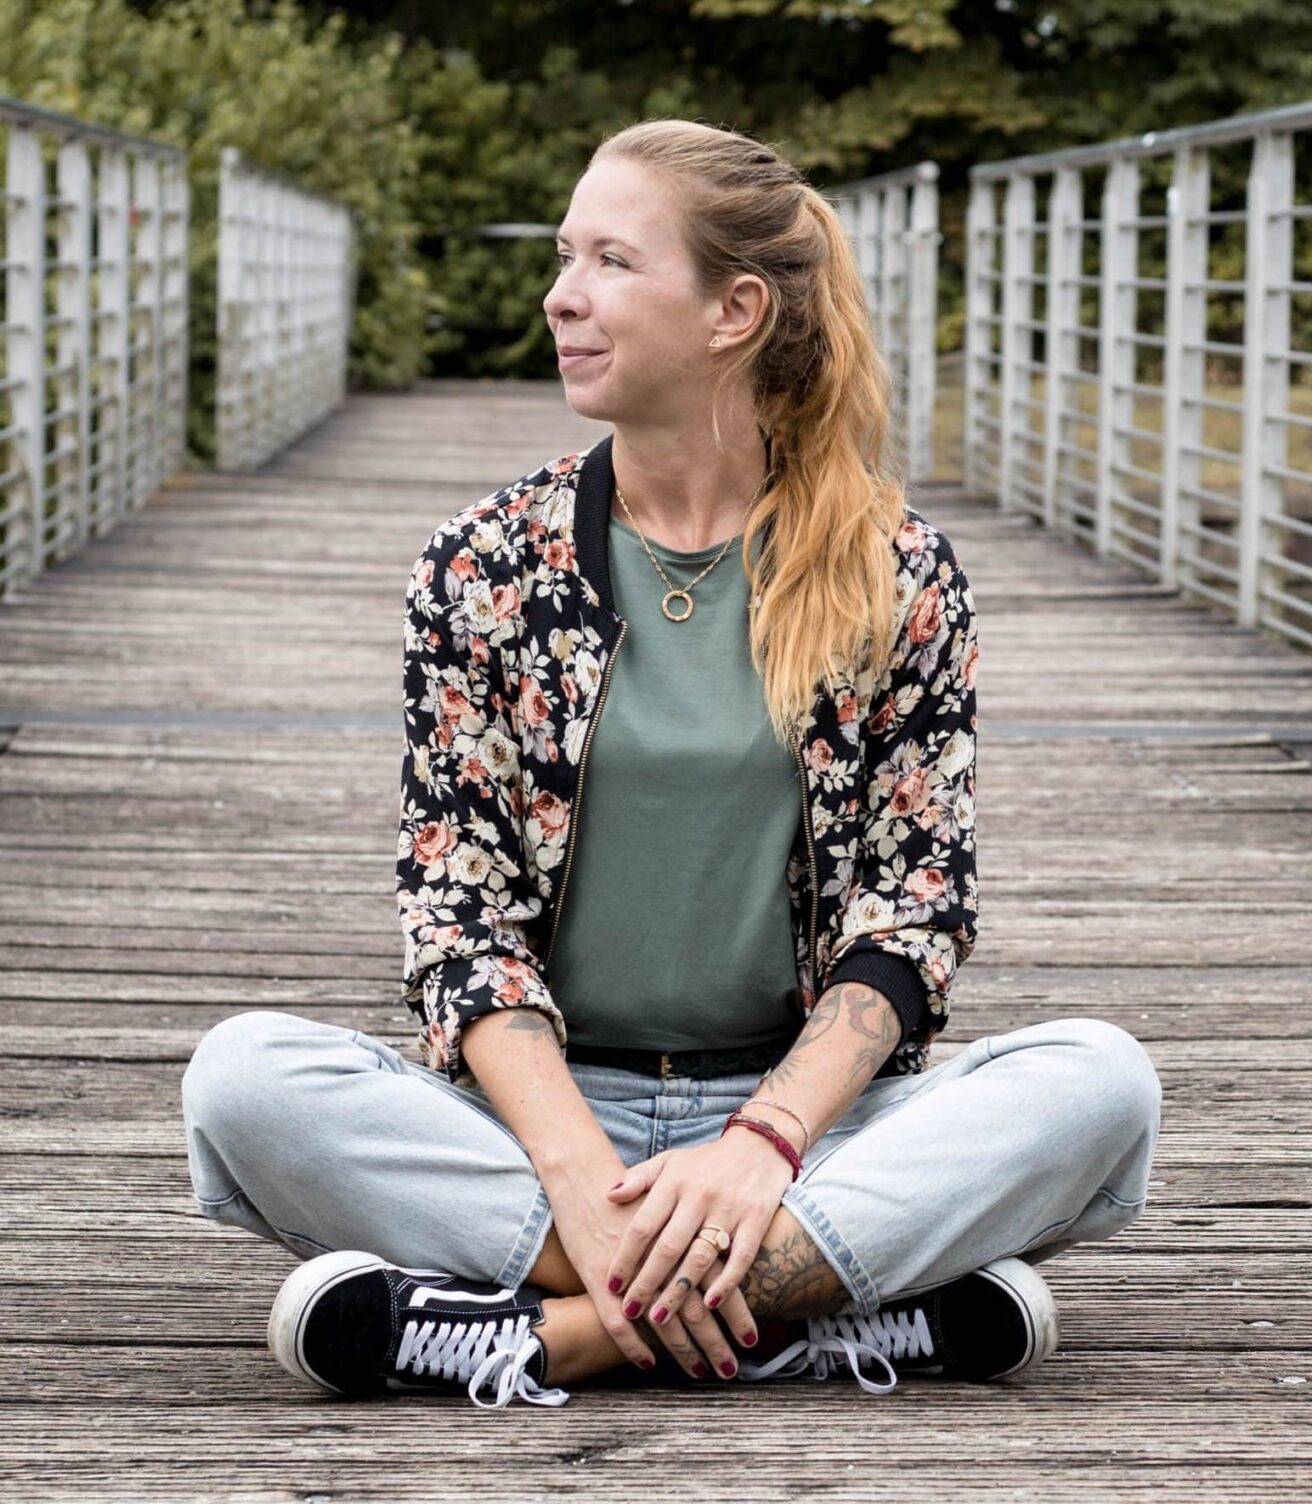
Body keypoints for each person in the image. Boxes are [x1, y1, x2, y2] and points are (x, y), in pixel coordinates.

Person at [181, 118, 1162, 1411]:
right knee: (244, 1083)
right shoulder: (483, 568)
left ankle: (548, 1338)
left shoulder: (895, 578)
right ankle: (812, 1317)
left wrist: (763, 1142)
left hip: (799, 1127)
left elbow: (913, 916)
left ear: (733, 310)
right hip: (540, 1124)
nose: (559, 293)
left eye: (609, 261)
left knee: (1101, 1086)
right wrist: (581, 1176)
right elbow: (457, 916)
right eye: (562, 255)